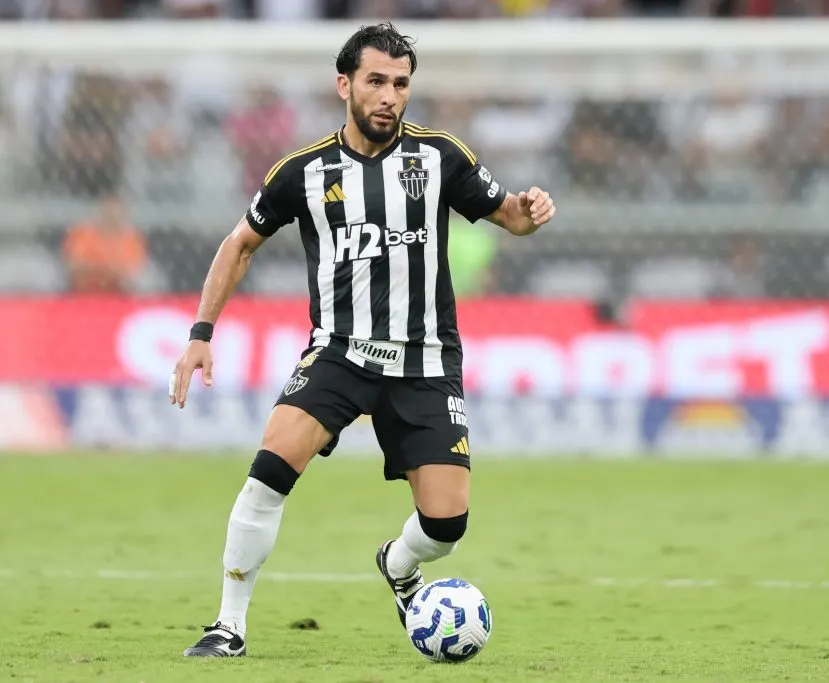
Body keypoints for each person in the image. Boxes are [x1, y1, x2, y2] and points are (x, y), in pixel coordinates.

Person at [169, 22, 556, 657]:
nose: (389, 96)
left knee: (446, 526)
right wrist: (201, 333)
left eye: (400, 84)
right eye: (376, 81)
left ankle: (398, 564)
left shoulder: (440, 157)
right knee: (268, 474)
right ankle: (228, 625)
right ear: (344, 85)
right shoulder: (303, 171)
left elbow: (509, 216)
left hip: (425, 361)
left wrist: (531, 211)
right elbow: (239, 244)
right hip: (339, 353)